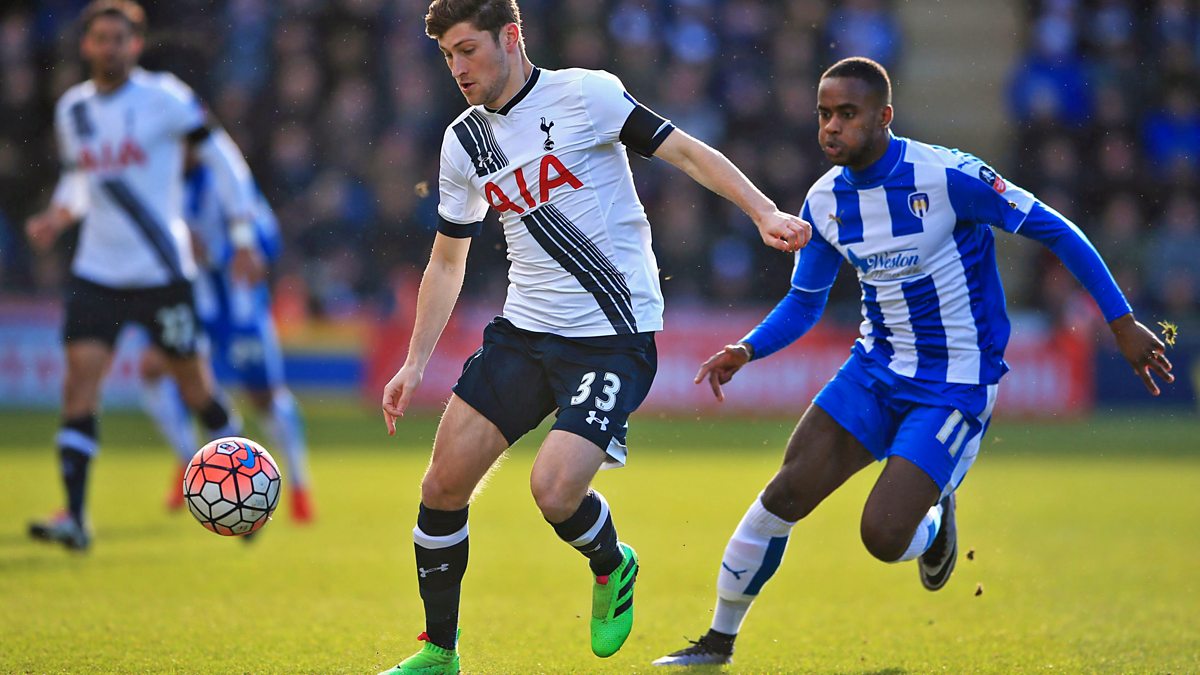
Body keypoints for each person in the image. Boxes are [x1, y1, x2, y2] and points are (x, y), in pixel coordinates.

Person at [652, 56, 1174, 667]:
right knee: (783, 494)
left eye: (848, 114)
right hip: (875, 369)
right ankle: (717, 643)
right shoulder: (825, 201)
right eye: (824, 114)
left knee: (881, 535)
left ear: (884, 117)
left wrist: (1121, 322)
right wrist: (747, 349)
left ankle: (933, 524)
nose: (831, 127)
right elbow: (805, 302)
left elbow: (1057, 231)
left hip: (955, 381)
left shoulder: (948, 176)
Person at [377, 1, 811, 672]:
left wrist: (763, 211)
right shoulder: (464, 141)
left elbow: (686, 152)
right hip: (524, 332)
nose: (457, 68)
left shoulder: (586, 94)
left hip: (613, 335)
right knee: (440, 486)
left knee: (553, 491)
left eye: (467, 49)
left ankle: (612, 563)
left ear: (510, 37)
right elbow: (447, 260)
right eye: (447, 56)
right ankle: (439, 652)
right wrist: (413, 364)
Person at [24, 0, 263, 551]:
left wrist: (242, 235)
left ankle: (247, 500)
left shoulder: (165, 98)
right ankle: (75, 518)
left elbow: (224, 159)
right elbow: (80, 181)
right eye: (100, 38)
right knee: (79, 385)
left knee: (195, 386)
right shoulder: (73, 110)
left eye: (120, 38)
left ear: (135, 45)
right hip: (97, 271)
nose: (109, 47)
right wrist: (58, 215)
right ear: (86, 45)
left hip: (161, 273)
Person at [140, 162, 314, 522]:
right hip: (193, 305)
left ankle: (299, 485)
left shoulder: (227, 180)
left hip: (239, 310)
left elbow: (266, 240)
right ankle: (191, 462)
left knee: (265, 397)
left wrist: (216, 251)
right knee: (153, 369)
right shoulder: (163, 175)